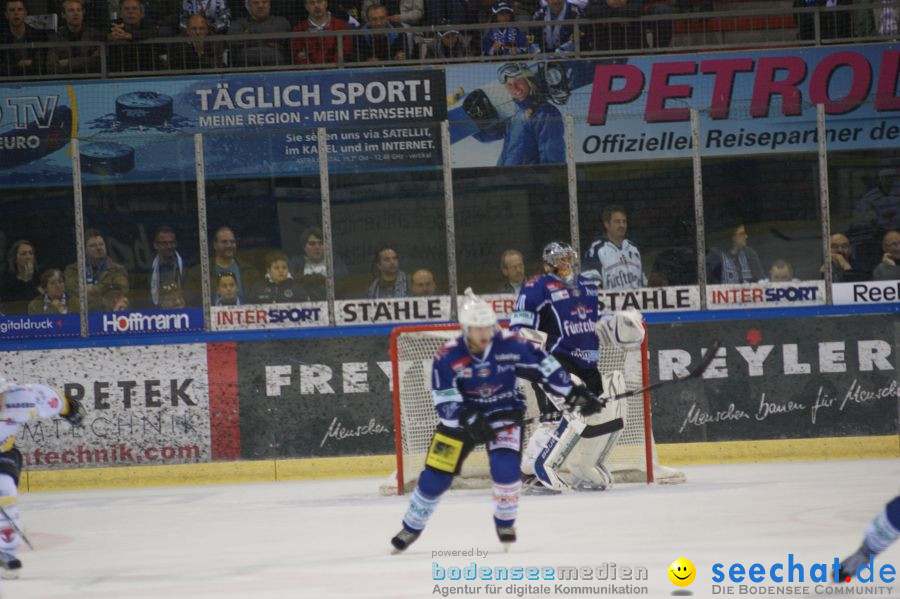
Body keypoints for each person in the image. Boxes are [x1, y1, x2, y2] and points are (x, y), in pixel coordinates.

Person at [389, 289, 603, 552]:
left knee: (505, 469)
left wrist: (573, 393)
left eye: (487, 327)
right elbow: (444, 400)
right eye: (477, 328)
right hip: (460, 420)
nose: (484, 334)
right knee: (436, 476)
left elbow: (544, 365)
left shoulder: (511, 345)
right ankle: (410, 527)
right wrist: (466, 417)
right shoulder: (447, 356)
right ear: (465, 329)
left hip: (504, 412)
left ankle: (505, 521)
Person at [510, 241, 641, 491]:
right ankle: (529, 471)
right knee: (556, 418)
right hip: (555, 362)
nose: (566, 264)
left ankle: (584, 467)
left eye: (568, 258)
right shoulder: (535, 289)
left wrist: (619, 326)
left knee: (603, 412)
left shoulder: (587, 286)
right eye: (560, 260)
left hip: (587, 362)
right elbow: (518, 329)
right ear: (548, 264)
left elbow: (593, 323)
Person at [0, 376, 84, 576]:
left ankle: (7, 551)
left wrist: (70, 409)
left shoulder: (22, 397)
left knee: (5, 493)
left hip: (4, 452)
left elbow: (54, 399)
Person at [473, 63, 565, 166]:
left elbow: (552, 158)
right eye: (509, 85)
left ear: (528, 81)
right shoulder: (514, 113)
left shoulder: (545, 113)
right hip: (505, 177)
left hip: (526, 179)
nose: (515, 88)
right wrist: (476, 122)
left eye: (518, 81)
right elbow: (487, 137)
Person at [582, 205, 647, 289]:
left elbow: (644, 282)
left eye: (624, 222)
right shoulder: (597, 249)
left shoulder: (633, 248)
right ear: (606, 224)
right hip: (611, 301)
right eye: (617, 222)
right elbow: (590, 282)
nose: (622, 225)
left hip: (637, 301)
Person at [188, 226, 258, 304]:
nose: (229, 245)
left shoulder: (250, 271)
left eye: (232, 242)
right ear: (215, 245)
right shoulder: (198, 273)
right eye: (224, 242)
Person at [64, 229, 130, 312]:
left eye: (101, 244)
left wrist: (90, 289)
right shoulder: (73, 270)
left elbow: (121, 289)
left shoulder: (118, 269)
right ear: (84, 250)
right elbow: (72, 291)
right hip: (79, 316)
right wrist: (104, 294)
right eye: (93, 245)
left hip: (108, 314)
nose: (98, 248)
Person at [839, 496, 900, 582]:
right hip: (890, 519)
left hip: (891, 514)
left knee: (867, 552)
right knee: (867, 552)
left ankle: (844, 571)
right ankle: (844, 571)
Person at [289, 227, 347, 301]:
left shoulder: (334, 261)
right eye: (312, 244)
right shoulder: (296, 262)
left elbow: (342, 279)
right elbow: (291, 281)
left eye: (321, 243)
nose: (317, 247)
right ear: (304, 247)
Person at [47, 0, 104, 74]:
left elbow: (97, 62)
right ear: (63, 14)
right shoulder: (56, 38)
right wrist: (84, 61)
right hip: (65, 80)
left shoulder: (94, 35)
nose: (76, 13)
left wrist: (68, 62)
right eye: (71, 10)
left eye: (79, 10)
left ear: (83, 13)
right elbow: (52, 65)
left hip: (90, 79)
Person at [229, 0, 291, 66]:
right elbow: (233, 40)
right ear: (249, 6)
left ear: (269, 5)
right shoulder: (239, 23)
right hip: (245, 66)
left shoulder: (280, 21)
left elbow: (282, 32)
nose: (260, 6)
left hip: (276, 65)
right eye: (256, 3)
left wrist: (249, 33)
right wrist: (268, 41)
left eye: (264, 2)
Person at [291, 0, 351, 65]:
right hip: (309, 73)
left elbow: (345, 52)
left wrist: (330, 69)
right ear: (306, 7)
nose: (316, 5)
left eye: (319, 2)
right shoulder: (299, 29)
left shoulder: (340, 26)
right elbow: (298, 55)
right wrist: (312, 71)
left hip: (335, 72)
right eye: (312, 3)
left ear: (326, 3)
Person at [107, 0, 158, 72]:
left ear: (141, 13)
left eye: (134, 8)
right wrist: (109, 36)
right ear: (120, 13)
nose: (130, 12)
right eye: (126, 9)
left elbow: (155, 32)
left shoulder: (149, 25)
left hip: (147, 70)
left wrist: (131, 35)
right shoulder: (114, 26)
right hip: (118, 72)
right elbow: (97, 33)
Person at [0, 0, 47, 77]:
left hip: (34, 81)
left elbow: (41, 64)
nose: (16, 13)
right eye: (12, 10)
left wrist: (14, 66)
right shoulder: (1, 38)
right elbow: (2, 68)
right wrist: (20, 64)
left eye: (20, 9)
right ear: (6, 15)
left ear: (25, 13)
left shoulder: (39, 35)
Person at [148, 226, 186, 308]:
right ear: (155, 245)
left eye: (172, 243)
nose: (169, 246)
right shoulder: (149, 269)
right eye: (164, 243)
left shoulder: (185, 267)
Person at [855, 168, 900, 233]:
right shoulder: (870, 196)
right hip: (880, 230)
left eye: (893, 177)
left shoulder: (898, 192)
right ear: (881, 179)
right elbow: (861, 212)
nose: (891, 180)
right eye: (887, 178)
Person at [0, 240, 39, 315]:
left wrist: (30, 280)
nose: (28, 257)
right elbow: (10, 304)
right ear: (15, 258)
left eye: (31, 253)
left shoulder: (40, 277)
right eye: (23, 254)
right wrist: (26, 281)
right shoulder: (6, 279)